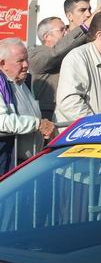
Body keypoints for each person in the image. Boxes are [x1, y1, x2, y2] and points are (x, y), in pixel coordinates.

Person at [54, 11, 101, 124]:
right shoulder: (77, 58)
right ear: (100, 36)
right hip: (81, 137)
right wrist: (96, 125)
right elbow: (69, 102)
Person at [0, 38, 55, 173]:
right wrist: (37, 124)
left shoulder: (24, 81)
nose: (25, 65)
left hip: (26, 164)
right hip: (7, 165)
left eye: (26, 60)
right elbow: (2, 121)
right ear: (3, 64)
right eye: (20, 61)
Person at [28, 15, 90, 121]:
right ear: (47, 36)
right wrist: (84, 28)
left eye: (66, 28)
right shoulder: (36, 55)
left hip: (72, 109)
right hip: (49, 113)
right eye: (62, 30)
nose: (67, 32)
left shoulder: (69, 52)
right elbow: (55, 53)